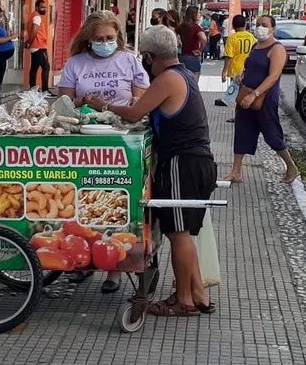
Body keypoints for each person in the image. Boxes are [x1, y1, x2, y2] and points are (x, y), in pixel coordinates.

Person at [86, 25, 217, 316]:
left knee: (178, 234)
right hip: (196, 161)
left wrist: (103, 105)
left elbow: (134, 113)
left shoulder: (167, 78)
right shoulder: (183, 74)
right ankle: (198, 294)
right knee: (182, 234)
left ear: (148, 57)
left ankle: (184, 301)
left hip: (182, 163)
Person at [58, 11, 150, 293]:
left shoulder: (129, 61)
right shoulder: (76, 63)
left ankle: (114, 268)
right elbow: (63, 102)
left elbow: (142, 98)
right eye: (99, 39)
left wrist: (125, 105)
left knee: (114, 201)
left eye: (110, 38)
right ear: (88, 39)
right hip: (84, 140)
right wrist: (83, 101)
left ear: (118, 37)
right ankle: (83, 260)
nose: (105, 43)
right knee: (82, 199)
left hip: (122, 141)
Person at [225, 15, 299, 184]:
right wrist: (240, 76)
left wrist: (255, 94)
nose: (260, 28)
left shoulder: (277, 49)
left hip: (264, 98)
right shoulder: (255, 45)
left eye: (264, 25)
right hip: (246, 95)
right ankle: (236, 171)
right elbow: (249, 67)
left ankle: (291, 166)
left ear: (273, 28)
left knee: (271, 134)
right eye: (258, 24)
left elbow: (273, 76)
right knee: (242, 132)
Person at [219, 15, 256, 113]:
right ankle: (245, 113)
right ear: (245, 24)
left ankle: (238, 115)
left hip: (235, 70)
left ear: (233, 25)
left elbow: (228, 56)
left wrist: (224, 71)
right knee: (246, 92)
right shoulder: (251, 37)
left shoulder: (232, 38)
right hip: (248, 70)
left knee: (235, 95)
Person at [26, 0, 50, 94]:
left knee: (34, 67)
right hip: (38, 45)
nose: (44, 9)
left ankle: (33, 89)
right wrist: (30, 42)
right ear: (37, 7)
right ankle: (45, 90)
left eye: (45, 7)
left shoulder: (33, 15)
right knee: (46, 67)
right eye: (42, 7)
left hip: (35, 46)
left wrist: (29, 42)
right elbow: (34, 31)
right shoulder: (37, 17)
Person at [177, 6, 207, 82]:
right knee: (194, 82)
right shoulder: (196, 27)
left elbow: (173, 33)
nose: (200, 14)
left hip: (182, 56)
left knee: (183, 80)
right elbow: (204, 38)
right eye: (198, 13)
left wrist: (178, 43)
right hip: (193, 56)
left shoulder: (182, 26)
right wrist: (200, 50)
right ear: (194, 14)